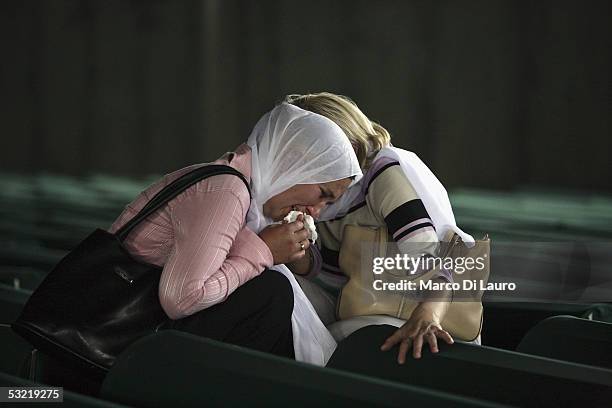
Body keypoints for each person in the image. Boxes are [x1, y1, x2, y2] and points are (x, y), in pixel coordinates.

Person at [109, 101, 362, 363]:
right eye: (322, 194)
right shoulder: (227, 189)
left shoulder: (240, 187)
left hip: (139, 329)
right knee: (270, 292)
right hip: (124, 338)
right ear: (294, 163)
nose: (316, 212)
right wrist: (263, 251)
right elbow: (182, 298)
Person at [284, 92, 476, 364]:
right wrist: (295, 251)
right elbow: (326, 268)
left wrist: (429, 314)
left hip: (424, 302)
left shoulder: (381, 174)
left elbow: (431, 257)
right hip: (357, 301)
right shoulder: (309, 190)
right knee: (276, 286)